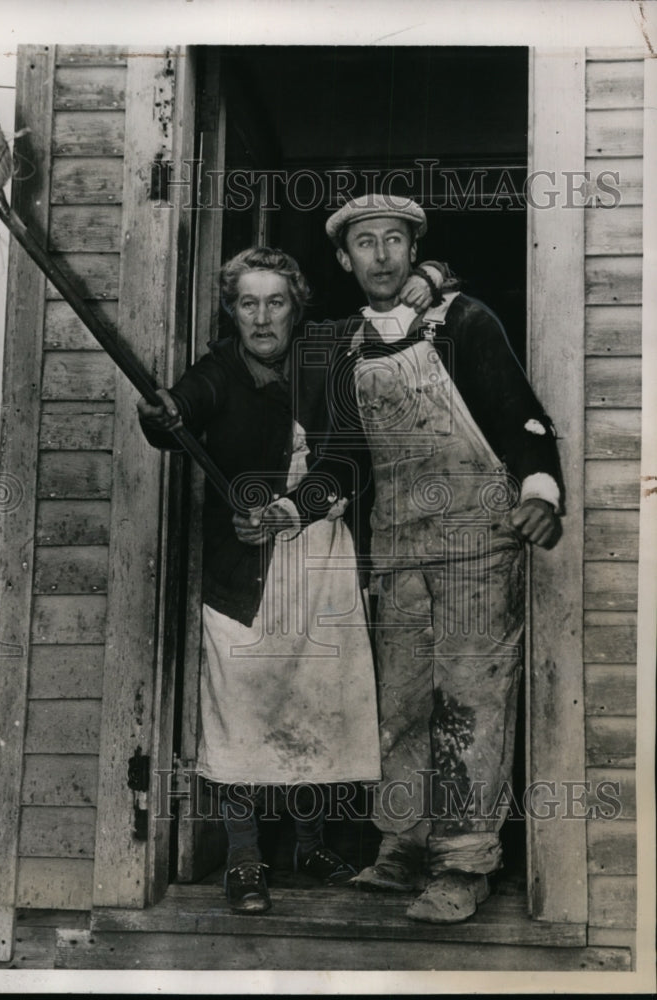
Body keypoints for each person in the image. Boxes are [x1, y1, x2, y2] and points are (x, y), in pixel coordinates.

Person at [258, 194, 563, 924]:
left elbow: (523, 417)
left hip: (478, 545)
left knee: (469, 703)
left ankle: (464, 865)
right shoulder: (345, 347)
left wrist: (542, 492)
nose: (384, 255)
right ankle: (402, 847)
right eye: (367, 243)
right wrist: (293, 508)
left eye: (396, 240)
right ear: (345, 259)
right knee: (400, 704)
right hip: (397, 550)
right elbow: (342, 460)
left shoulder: (464, 321)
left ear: (414, 249)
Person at [138, 246, 447, 914]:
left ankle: (309, 841)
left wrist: (291, 508)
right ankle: (245, 860)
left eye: (275, 301)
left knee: (318, 700)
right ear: (232, 311)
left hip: (317, 553)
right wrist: (158, 415)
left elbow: (346, 457)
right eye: (247, 302)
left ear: (296, 306)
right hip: (243, 571)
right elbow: (177, 414)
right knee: (244, 705)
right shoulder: (218, 369)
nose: (261, 317)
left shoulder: (326, 356)